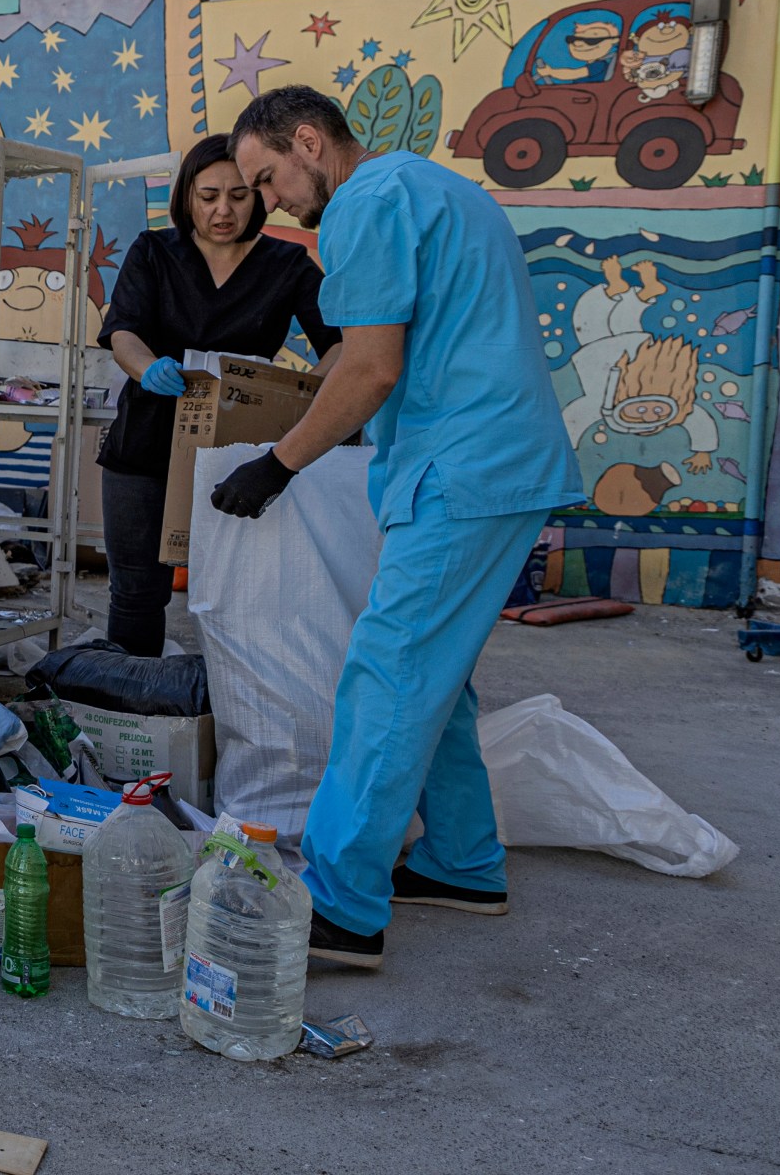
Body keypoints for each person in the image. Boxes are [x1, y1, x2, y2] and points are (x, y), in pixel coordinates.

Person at [213, 86, 578, 970]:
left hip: (463, 470)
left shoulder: (364, 207)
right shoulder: (431, 186)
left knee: (388, 673)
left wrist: (279, 461)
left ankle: (343, 906)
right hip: (492, 461)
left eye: (267, 179)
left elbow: (372, 370)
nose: (270, 203)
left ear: (308, 142)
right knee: (435, 679)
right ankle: (462, 863)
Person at [94, 134, 338, 656]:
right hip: (145, 444)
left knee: (242, 596)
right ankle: (137, 718)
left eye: (239, 195)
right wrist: (147, 368)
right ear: (185, 197)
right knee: (136, 592)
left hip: (242, 457)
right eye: (208, 197)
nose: (223, 210)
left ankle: (237, 718)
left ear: (261, 196)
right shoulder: (154, 250)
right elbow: (123, 333)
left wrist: (300, 397)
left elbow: (343, 344)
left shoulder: (288, 264)